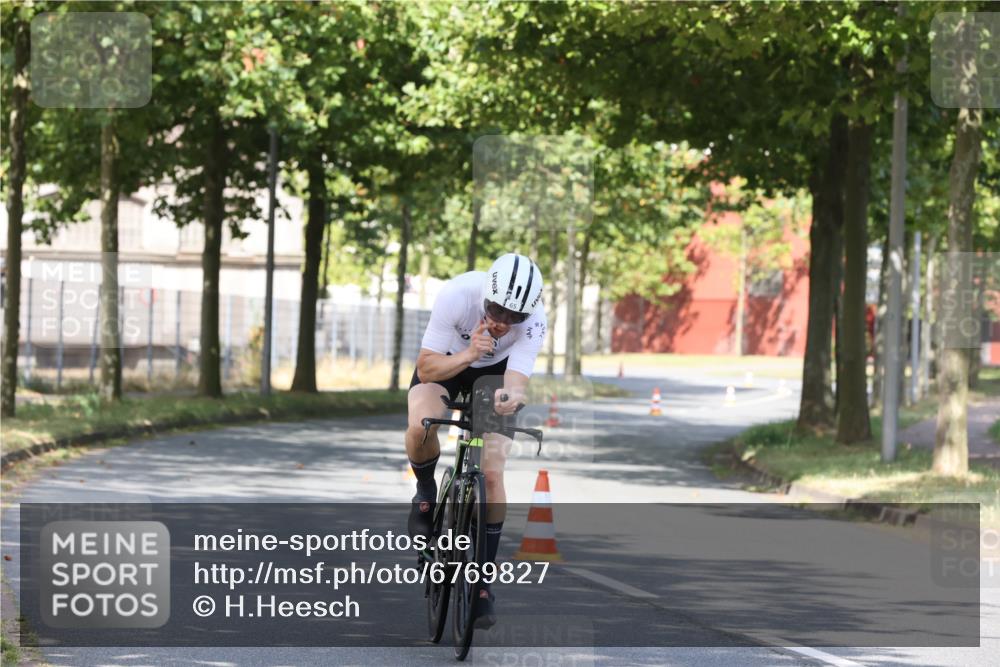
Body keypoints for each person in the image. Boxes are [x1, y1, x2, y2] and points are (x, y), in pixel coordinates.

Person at [406, 252, 547, 629]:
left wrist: (510, 398)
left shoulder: (534, 322)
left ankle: (483, 582)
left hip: (493, 377)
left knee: (494, 474)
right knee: (422, 423)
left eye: (513, 317)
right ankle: (424, 491)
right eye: (496, 310)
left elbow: (516, 379)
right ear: (486, 294)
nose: (503, 323)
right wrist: (470, 352)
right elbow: (425, 367)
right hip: (448, 363)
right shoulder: (458, 294)